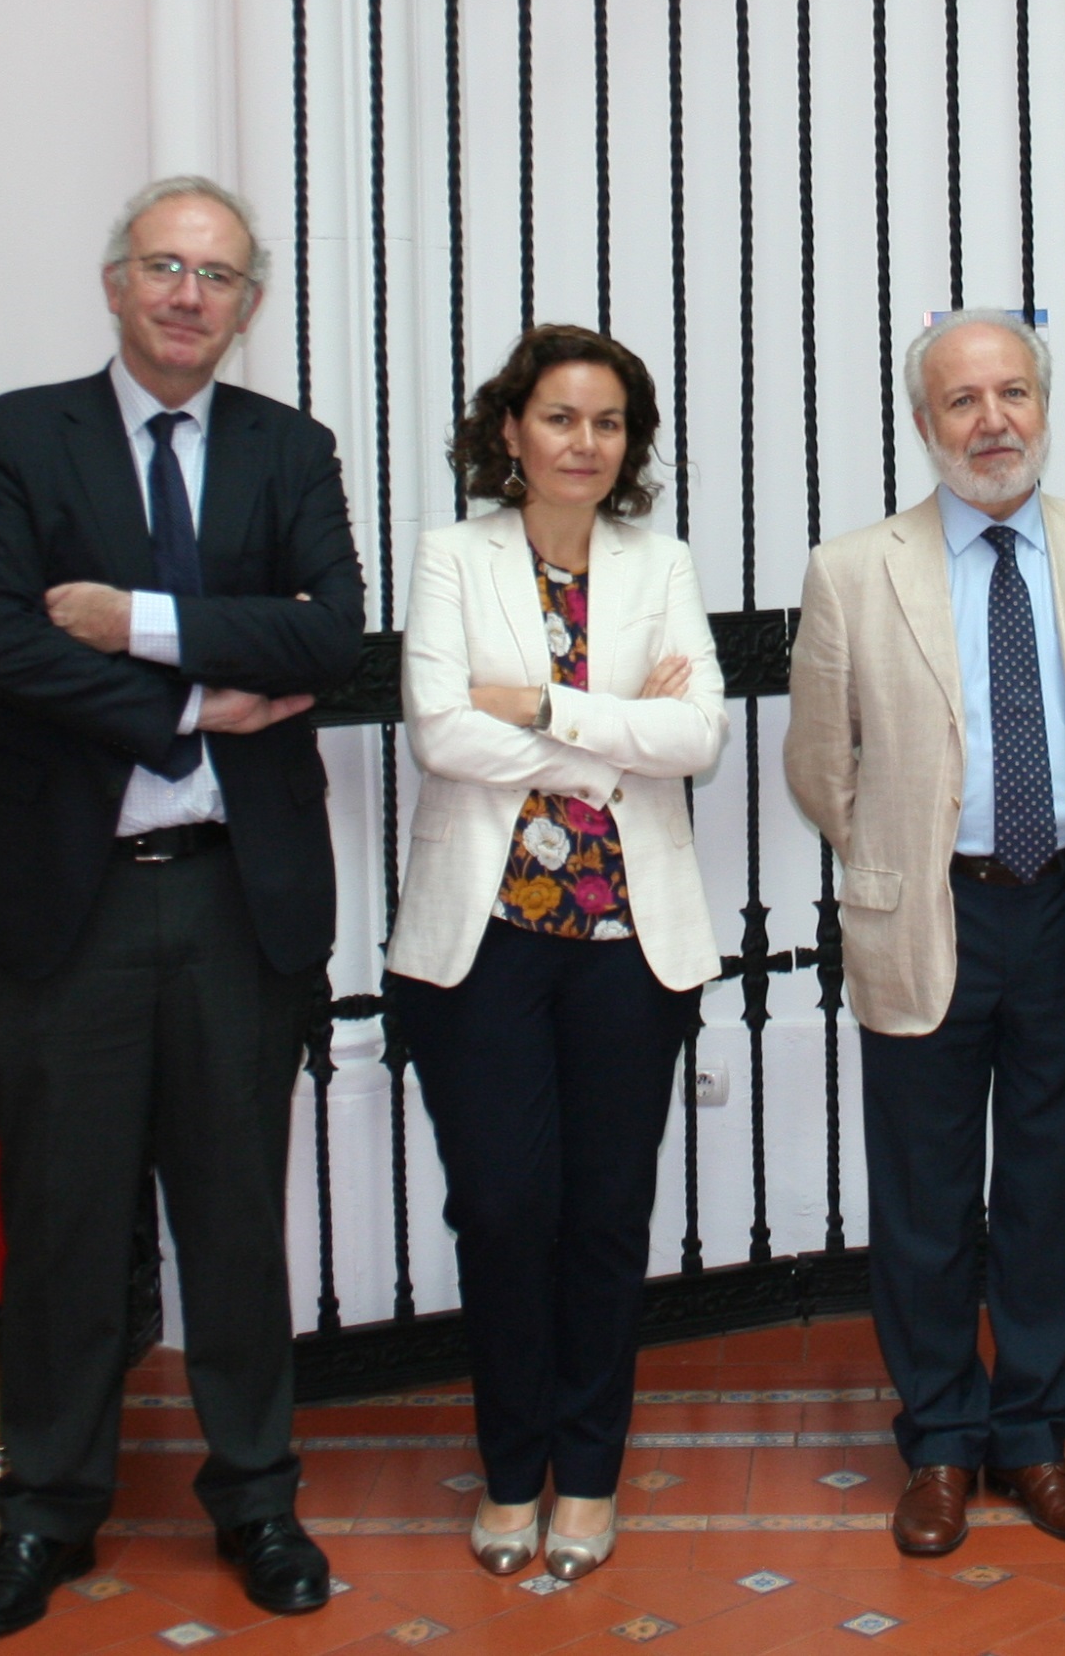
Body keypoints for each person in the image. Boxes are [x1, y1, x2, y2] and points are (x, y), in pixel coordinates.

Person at [0, 176, 365, 1640]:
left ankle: (257, 1497)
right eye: (166, 266)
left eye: (221, 274)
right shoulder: (14, 435)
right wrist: (197, 701)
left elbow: (330, 631)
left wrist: (137, 621)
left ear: (249, 304)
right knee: (60, 1224)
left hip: (239, 903)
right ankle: (45, 1510)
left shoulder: (290, 446)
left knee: (238, 1220)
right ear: (116, 282)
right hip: (69, 908)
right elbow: (0, 643)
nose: (191, 294)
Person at [785, 307, 1065, 1558]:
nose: (991, 419)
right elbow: (817, 765)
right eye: (963, 400)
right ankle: (942, 1441)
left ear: (1043, 407)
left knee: (1056, 1189)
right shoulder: (855, 570)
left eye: (1012, 393)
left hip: (1064, 904)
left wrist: (1063, 834)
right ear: (922, 422)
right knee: (927, 1199)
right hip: (930, 909)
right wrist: (900, 848)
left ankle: (1038, 1437)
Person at [384, 325, 729, 1583]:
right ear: (510, 429)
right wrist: (610, 735)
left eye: (608, 422)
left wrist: (535, 706)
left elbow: (697, 738)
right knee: (503, 1208)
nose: (584, 442)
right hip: (483, 948)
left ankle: (585, 1475)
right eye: (560, 417)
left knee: (604, 1215)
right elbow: (439, 734)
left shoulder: (661, 559)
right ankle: (508, 1465)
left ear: (628, 444)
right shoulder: (450, 556)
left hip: (628, 947)